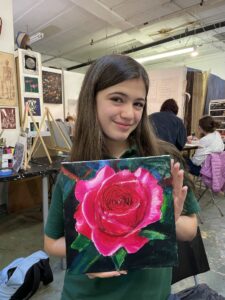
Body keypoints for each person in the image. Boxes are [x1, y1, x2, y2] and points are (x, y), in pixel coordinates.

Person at [44, 54, 199, 300]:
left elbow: (190, 230)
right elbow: (51, 243)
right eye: (117, 99)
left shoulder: (163, 161)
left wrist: (168, 218)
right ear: (91, 100)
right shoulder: (75, 171)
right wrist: (90, 255)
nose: (129, 114)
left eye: (138, 104)